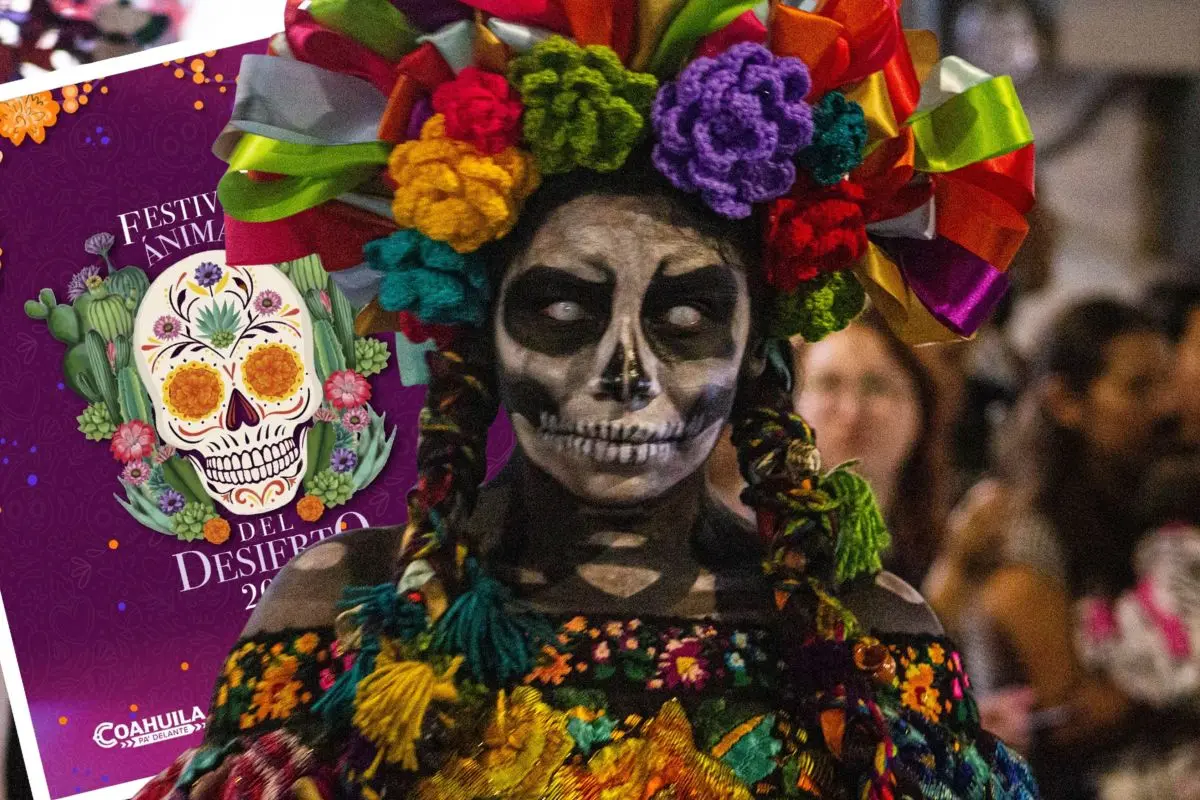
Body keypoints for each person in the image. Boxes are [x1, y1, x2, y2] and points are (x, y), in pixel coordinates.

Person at [132, 3, 1041, 799]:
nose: (627, 370)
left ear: (754, 352)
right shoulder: (343, 610)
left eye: (686, 317)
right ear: (481, 330)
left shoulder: (868, 634)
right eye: (564, 310)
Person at [925, 298, 1175, 798]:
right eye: (1138, 388)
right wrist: (1149, 698)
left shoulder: (1141, 504)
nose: (1166, 406)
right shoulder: (1024, 531)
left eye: (1165, 383)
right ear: (1065, 402)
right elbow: (1073, 711)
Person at [793, 311, 947, 588]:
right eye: (828, 384)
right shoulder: (752, 549)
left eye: (877, 386)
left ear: (921, 407)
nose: (852, 413)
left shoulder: (956, 547)